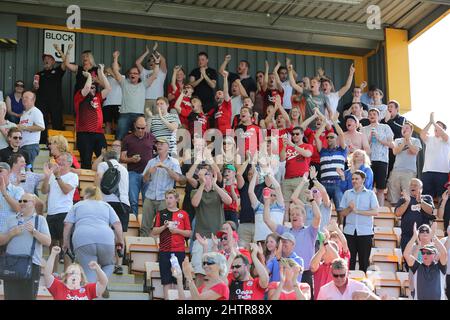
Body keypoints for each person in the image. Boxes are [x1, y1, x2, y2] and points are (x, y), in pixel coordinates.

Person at [62, 186, 123, 285]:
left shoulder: (78, 205)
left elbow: (67, 224)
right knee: (109, 265)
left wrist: (66, 243)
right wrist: (120, 241)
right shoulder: (106, 205)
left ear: (85, 194)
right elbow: (117, 224)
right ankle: (102, 283)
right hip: (105, 238)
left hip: (83, 238)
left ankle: (93, 287)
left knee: (89, 271)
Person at [0, 193, 51, 300]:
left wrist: (34, 232)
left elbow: (48, 242)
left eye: (25, 201)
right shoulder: (11, 219)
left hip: (31, 265)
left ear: (33, 203)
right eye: (20, 201)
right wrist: (11, 233)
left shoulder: (40, 220)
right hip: (11, 264)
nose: (21, 203)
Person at [190, 166, 232, 281]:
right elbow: (195, 203)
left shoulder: (218, 191)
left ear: (212, 177)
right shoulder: (195, 191)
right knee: (199, 272)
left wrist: (215, 185)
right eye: (201, 176)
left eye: (206, 175)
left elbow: (229, 201)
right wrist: (203, 184)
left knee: (218, 273)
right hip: (201, 237)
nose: (204, 177)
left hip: (217, 237)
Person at [151, 189, 191, 300]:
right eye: (167, 198)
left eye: (171, 198)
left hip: (179, 251)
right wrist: (164, 227)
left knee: (178, 279)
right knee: (166, 280)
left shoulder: (183, 214)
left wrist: (177, 231)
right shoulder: (161, 213)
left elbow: (189, 232)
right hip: (164, 250)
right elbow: (154, 231)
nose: (168, 200)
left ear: (177, 199)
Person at [41, 152, 79, 270]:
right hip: (51, 213)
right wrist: (47, 177)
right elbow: (43, 191)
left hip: (65, 212)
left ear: (69, 163)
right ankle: (54, 273)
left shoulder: (73, 176)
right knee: (53, 245)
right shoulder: (53, 176)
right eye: (59, 159)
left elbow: (66, 190)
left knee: (65, 244)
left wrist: (57, 176)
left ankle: (67, 273)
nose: (60, 162)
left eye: (63, 160)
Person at [95, 150, 130, 275]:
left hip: (107, 202)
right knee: (120, 234)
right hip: (123, 203)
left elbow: (98, 178)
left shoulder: (103, 165)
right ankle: (119, 264)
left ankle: (103, 262)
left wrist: (96, 193)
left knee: (104, 232)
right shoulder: (124, 169)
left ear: (105, 158)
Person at [141, 137, 184, 236]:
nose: (159, 145)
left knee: (164, 226)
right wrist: (148, 172)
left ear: (168, 147)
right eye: (158, 144)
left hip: (164, 199)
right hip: (150, 197)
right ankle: (144, 247)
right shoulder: (151, 161)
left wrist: (166, 167)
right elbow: (144, 179)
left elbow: (178, 178)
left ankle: (162, 247)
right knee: (145, 226)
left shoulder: (174, 162)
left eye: (162, 144)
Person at [112, 50, 158, 140]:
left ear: (139, 76)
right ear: (129, 75)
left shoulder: (143, 84)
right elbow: (115, 71)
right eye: (131, 73)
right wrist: (115, 58)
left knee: (139, 138)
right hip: (124, 115)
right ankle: (117, 153)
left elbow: (155, 74)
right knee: (119, 137)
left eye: (135, 73)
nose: (133, 75)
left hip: (139, 115)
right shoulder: (124, 83)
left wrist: (156, 63)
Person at [339, 170, 379, 272]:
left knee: (364, 262)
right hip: (349, 232)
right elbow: (342, 213)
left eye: (356, 179)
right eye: (352, 179)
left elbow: (375, 211)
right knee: (348, 262)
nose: (354, 181)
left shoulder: (370, 194)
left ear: (363, 180)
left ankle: (364, 285)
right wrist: (350, 208)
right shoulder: (347, 193)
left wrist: (358, 211)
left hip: (365, 233)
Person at [74, 65, 110, 169]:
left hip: (98, 133)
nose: (92, 89)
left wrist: (101, 72)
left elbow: (108, 88)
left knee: (105, 158)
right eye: (91, 87)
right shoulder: (79, 96)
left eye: (94, 87)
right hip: (84, 133)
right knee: (86, 161)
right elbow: (86, 88)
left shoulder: (98, 97)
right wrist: (89, 76)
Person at [120, 116, 156, 216]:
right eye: (138, 128)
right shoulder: (127, 139)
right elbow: (122, 158)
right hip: (133, 173)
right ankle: (133, 223)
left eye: (143, 128)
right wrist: (131, 159)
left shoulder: (152, 137)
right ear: (134, 126)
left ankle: (145, 224)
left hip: (148, 173)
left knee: (147, 201)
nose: (140, 130)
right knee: (133, 201)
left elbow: (159, 153)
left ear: (146, 126)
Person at [43, 246, 108, 300]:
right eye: (71, 273)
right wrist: (53, 254)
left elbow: (103, 283)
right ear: (66, 276)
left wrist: (97, 268)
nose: (74, 276)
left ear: (81, 277)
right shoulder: (58, 286)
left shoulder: (88, 289)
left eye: (76, 273)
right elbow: (47, 274)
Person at [403, 226, 447, 300]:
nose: (425, 254)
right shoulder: (417, 266)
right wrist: (414, 237)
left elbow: (444, 253)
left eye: (428, 252)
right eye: (423, 252)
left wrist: (433, 237)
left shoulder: (440, 267)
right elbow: (406, 254)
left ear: (434, 255)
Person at [315, 112, 347, 212]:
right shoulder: (322, 151)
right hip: (324, 184)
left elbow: (341, 134)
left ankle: (341, 227)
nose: (329, 138)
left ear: (336, 139)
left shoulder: (342, 150)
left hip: (338, 183)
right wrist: (325, 122)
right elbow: (316, 136)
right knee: (323, 209)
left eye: (332, 137)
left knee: (340, 208)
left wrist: (333, 121)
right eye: (328, 137)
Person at [361, 108, 394, 206]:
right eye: (370, 114)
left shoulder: (385, 127)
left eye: (374, 114)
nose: (372, 115)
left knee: (380, 188)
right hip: (368, 161)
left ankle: (381, 209)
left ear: (378, 116)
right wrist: (370, 138)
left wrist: (379, 138)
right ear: (368, 117)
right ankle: (367, 206)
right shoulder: (364, 129)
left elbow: (391, 144)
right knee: (367, 186)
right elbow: (362, 146)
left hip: (382, 160)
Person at [34, 48, 66, 143]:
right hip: (41, 102)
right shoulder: (39, 74)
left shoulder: (58, 71)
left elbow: (65, 63)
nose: (46, 60)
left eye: (48, 58)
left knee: (57, 122)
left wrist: (59, 51)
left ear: (53, 61)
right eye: (44, 59)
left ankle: (58, 143)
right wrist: (35, 87)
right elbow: (35, 89)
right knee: (42, 123)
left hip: (55, 102)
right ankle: (43, 143)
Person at [394, 178, 435, 253]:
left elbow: (431, 211)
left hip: (424, 236)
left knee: (423, 260)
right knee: (408, 261)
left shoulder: (427, 198)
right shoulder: (404, 199)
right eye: (411, 185)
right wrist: (407, 202)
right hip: (407, 236)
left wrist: (420, 201)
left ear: (421, 188)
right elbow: (397, 213)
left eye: (415, 185)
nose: (412, 186)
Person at [280, 126, 313, 216]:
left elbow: (307, 154)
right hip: (287, 180)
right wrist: (284, 147)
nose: (295, 136)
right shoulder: (288, 148)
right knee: (285, 208)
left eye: (297, 134)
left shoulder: (307, 146)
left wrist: (293, 145)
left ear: (302, 135)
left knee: (302, 206)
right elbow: (282, 159)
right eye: (293, 134)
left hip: (301, 180)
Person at [387, 122, 422, 204]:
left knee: (408, 193)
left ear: (411, 131)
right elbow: (395, 152)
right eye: (403, 128)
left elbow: (414, 151)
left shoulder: (416, 140)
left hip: (409, 171)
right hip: (396, 170)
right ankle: (394, 209)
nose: (404, 129)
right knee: (394, 193)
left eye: (407, 128)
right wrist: (404, 142)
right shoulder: (397, 140)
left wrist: (408, 141)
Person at [420, 112, 449, 200]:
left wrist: (434, 123)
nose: (436, 127)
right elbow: (422, 134)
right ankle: (427, 214)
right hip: (427, 172)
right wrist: (430, 122)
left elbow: (442, 133)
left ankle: (442, 213)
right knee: (426, 197)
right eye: (435, 126)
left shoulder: (446, 139)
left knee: (442, 197)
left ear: (443, 129)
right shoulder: (430, 139)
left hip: (442, 173)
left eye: (438, 126)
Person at [250, 172, 285, 243]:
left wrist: (269, 174)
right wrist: (256, 174)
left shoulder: (280, 206)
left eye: (274, 195)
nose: (271, 197)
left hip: (275, 241)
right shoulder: (258, 206)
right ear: (263, 196)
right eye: (269, 195)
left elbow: (277, 187)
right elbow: (250, 192)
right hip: (260, 241)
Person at [135, 43, 167, 115]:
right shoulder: (144, 72)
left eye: (153, 60)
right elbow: (137, 62)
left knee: (159, 120)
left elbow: (163, 60)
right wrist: (147, 52)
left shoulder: (161, 71)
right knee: (147, 121)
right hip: (146, 99)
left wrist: (155, 51)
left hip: (159, 100)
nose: (151, 62)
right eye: (149, 60)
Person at [17, 91, 45, 167]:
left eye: (27, 97)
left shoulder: (36, 111)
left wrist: (25, 127)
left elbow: (41, 127)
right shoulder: (24, 113)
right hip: (23, 145)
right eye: (23, 97)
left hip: (30, 146)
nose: (24, 99)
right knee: (24, 169)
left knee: (26, 169)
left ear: (33, 100)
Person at [382, 100, 406, 176]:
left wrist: (389, 121)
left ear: (397, 109)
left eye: (391, 107)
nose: (389, 108)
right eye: (388, 107)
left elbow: (401, 130)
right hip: (385, 150)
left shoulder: (401, 119)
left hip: (397, 149)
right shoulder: (383, 120)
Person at [0, 162, 23, 227]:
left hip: (11, 230)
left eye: (0, 171)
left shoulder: (18, 190)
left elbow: (19, 209)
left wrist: (5, 193)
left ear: (9, 173)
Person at [103, 66, 123, 134]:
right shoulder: (106, 78)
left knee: (118, 123)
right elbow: (101, 84)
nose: (113, 68)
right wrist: (104, 74)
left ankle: (117, 140)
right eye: (112, 67)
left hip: (118, 103)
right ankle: (108, 139)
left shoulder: (122, 77)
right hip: (107, 103)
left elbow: (119, 80)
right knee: (107, 123)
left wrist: (111, 72)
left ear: (119, 68)